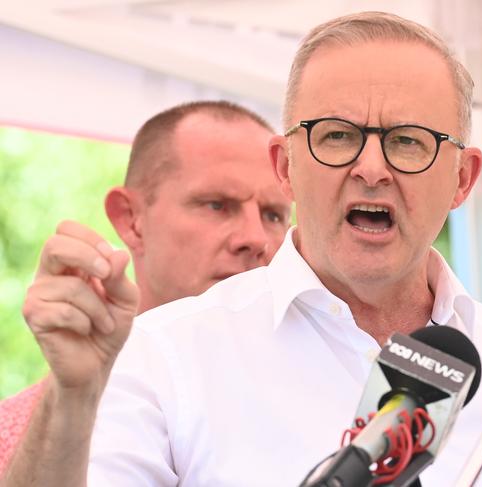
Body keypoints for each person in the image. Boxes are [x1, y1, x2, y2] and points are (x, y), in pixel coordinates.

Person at [2, 12, 482, 487]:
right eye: (338, 136)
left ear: (462, 178)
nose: (371, 168)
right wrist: (74, 395)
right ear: (285, 166)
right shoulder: (161, 358)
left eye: (408, 141)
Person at [0, 100, 292, 475]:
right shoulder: (17, 432)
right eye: (217, 205)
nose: (255, 238)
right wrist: (72, 398)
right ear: (131, 219)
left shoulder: (327, 392)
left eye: (274, 215)